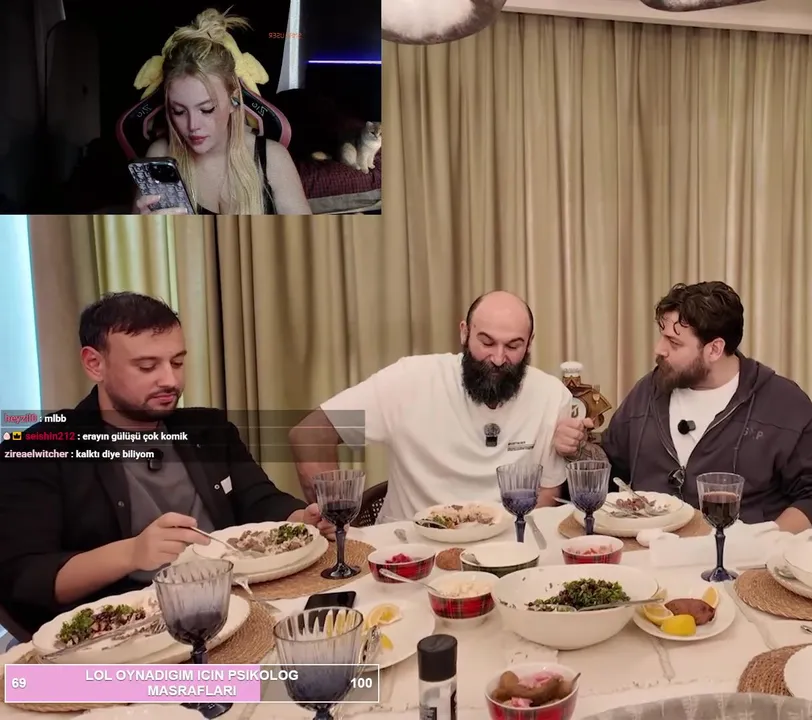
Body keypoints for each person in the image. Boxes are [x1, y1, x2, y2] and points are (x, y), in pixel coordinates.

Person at [0, 292, 330, 639]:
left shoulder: (209, 429)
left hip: (237, 609)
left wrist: (299, 519)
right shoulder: (39, 450)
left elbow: (259, 500)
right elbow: (26, 579)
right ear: (95, 364)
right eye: (147, 367)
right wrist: (132, 553)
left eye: (177, 362)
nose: (170, 380)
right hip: (127, 637)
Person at [555, 281, 812, 533]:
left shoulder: (783, 404)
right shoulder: (647, 392)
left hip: (742, 566)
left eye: (674, 342)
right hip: (649, 557)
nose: (659, 349)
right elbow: (610, 471)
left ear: (714, 349)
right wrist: (577, 449)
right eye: (662, 335)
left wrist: (767, 542)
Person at [289, 291, 572, 522]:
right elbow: (310, 434)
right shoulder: (410, 381)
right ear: (464, 333)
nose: (498, 359)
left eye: (513, 346)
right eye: (486, 342)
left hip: (504, 547)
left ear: (529, 344)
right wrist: (335, 519)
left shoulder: (550, 395)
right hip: (410, 549)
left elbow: (546, 501)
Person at [132, 9, 310, 215]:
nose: (192, 126)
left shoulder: (273, 159)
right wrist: (144, 228)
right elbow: (139, 233)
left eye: (206, 109)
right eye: (178, 111)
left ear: (234, 100)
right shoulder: (160, 155)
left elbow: (306, 235)